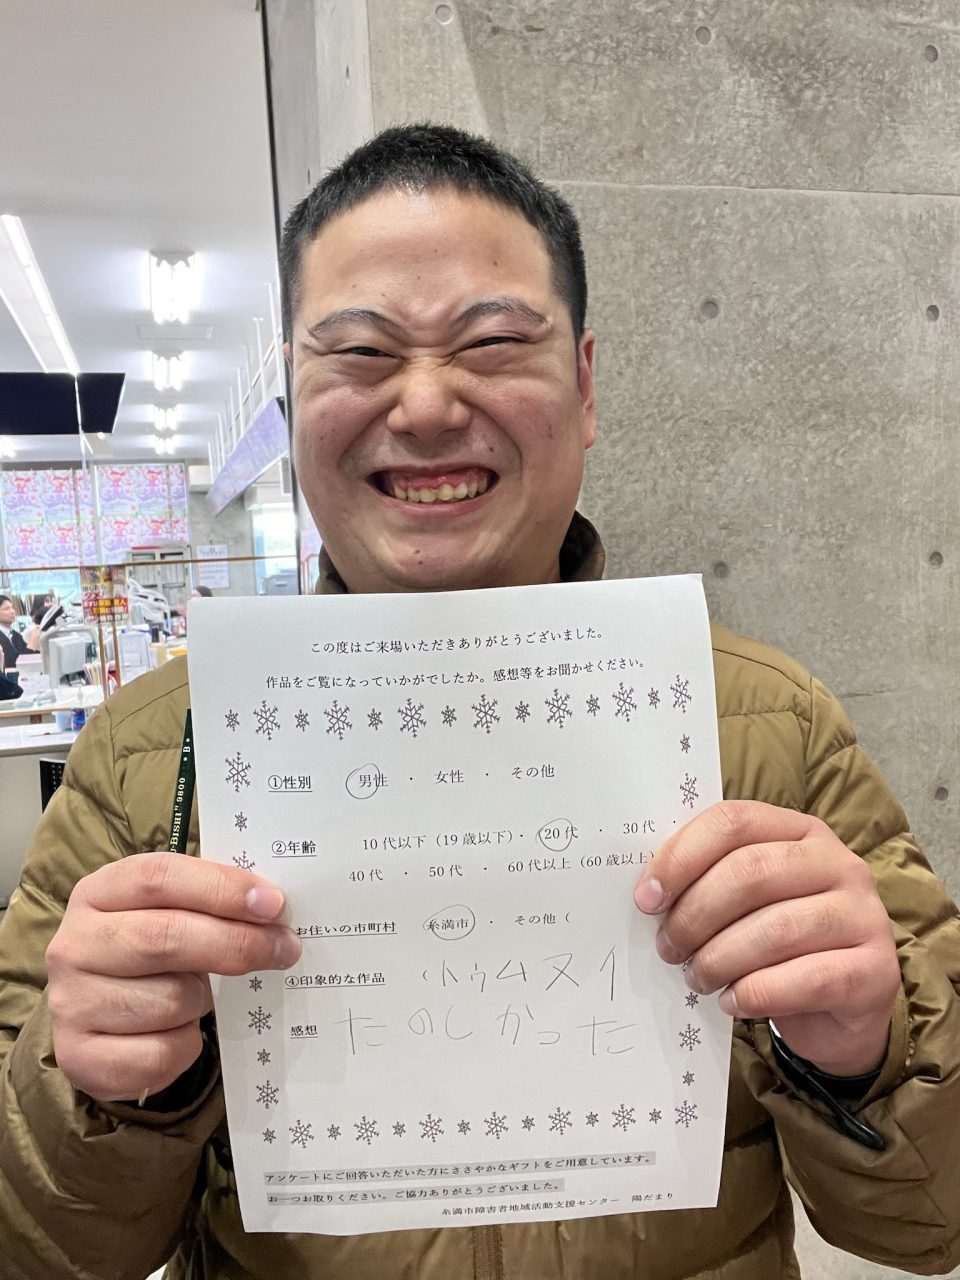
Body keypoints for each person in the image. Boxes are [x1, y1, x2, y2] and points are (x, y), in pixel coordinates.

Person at [0, 125, 957, 1280]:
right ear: (294, 398)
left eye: (494, 342)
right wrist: (96, 1082)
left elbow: (931, 1221)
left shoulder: (772, 726)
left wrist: (867, 1049)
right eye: (361, 353)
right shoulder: (152, 752)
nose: (425, 405)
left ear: (585, 386)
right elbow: (36, 1246)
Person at [0, 594, 29, 670]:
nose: (12, 611)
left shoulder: (17, 636)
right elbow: (10, 662)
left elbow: (25, 656)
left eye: (12, 608)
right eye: (7, 609)